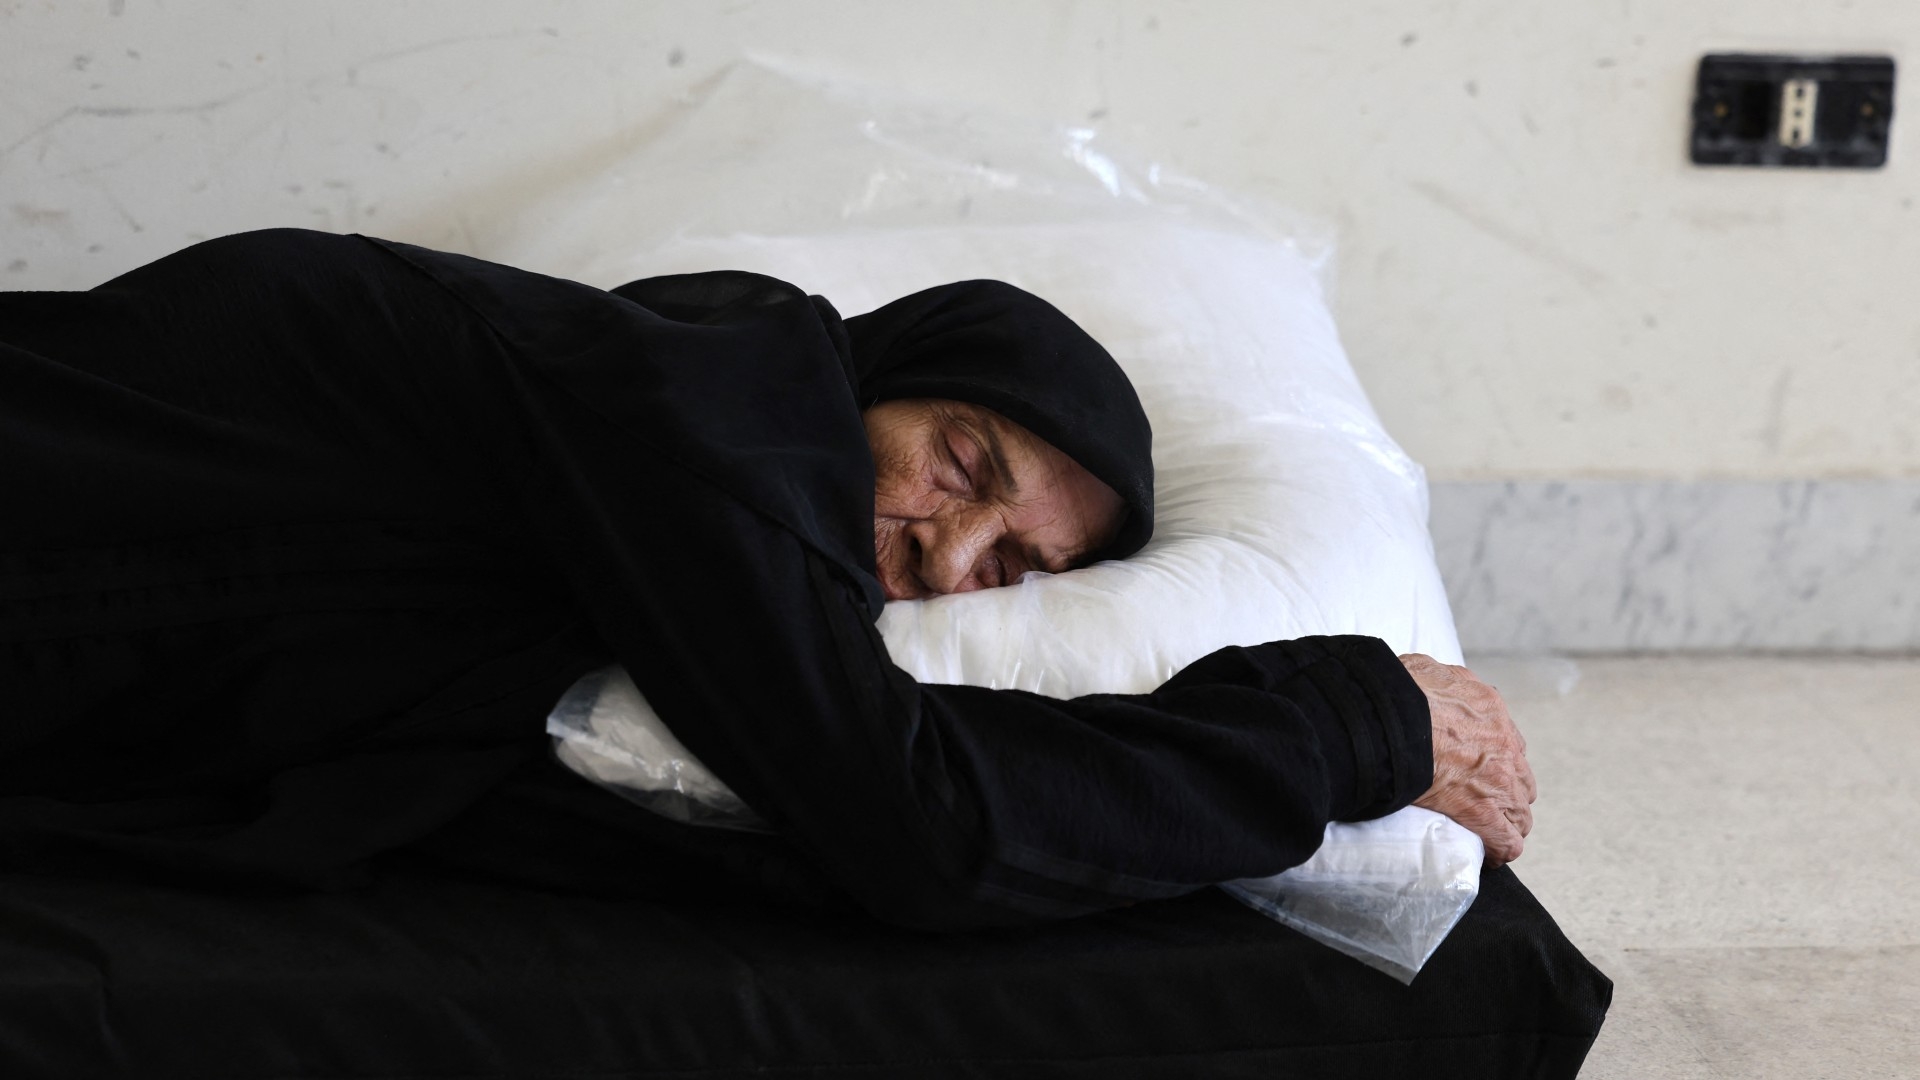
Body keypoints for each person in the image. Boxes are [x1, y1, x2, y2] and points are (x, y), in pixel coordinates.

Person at [0, 229, 1533, 929]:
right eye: (962, 462)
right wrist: (1337, 726)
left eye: (1011, 562)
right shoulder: (714, 403)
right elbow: (910, 814)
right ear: (887, 373)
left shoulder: (631, 558)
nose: (946, 548)